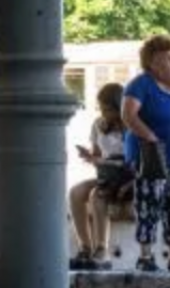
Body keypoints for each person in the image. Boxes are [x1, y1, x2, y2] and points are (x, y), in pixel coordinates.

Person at [120, 36, 170, 273]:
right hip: (149, 156)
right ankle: (146, 257)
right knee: (149, 203)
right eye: (167, 57)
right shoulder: (141, 84)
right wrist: (150, 137)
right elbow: (128, 116)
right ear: (152, 62)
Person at [70, 81, 130, 270]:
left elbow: (136, 160)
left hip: (128, 177)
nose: (103, 113)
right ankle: (85, 248)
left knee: (97, 194)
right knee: (75, 192)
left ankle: (101, 252)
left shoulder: (132, 125)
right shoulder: (98, 124)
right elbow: (97, 154)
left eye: (107, 109)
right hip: (106, 175)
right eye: (101, 108)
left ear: (118, 107)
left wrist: (105, 163)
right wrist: (89, 157)